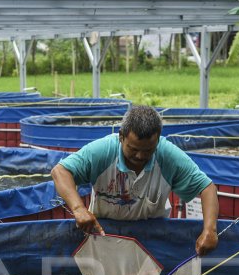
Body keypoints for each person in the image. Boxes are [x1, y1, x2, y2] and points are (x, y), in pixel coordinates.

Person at [50, 105, 219, 255]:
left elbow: (207, 187)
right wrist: (78, 208)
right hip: (104, 236)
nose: (140, 156)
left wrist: (210, 230)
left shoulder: (168, 156)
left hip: (152, 241)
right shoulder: (103, 151)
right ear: (121, 137)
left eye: (148, 150)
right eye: (133, 149)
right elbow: (60, 171)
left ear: (157, 141)